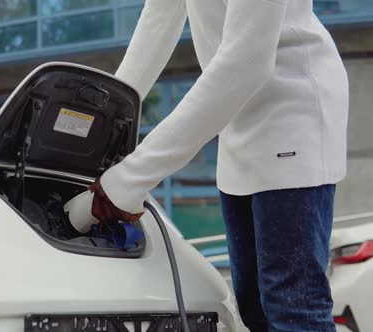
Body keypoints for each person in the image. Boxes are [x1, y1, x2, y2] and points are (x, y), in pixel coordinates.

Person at [88, 0, 348, 331]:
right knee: (254, 309)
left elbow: (247, 62)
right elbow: (160, 16)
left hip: (292, 114)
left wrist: (132, 177)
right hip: (236, 120)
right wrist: (107, 124)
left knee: (292, 307)